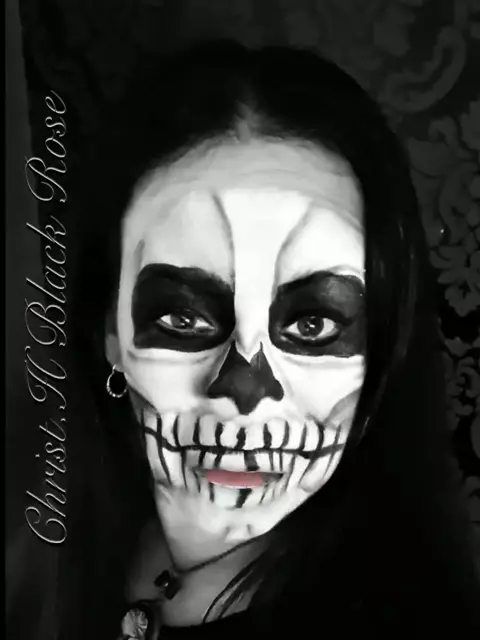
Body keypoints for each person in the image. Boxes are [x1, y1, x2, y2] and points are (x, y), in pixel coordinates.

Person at [59, 40, 480, 638]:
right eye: (183, 317)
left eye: (313, 324)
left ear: (384, 342)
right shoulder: (52, 537)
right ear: (109, 328)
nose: (245, 388)